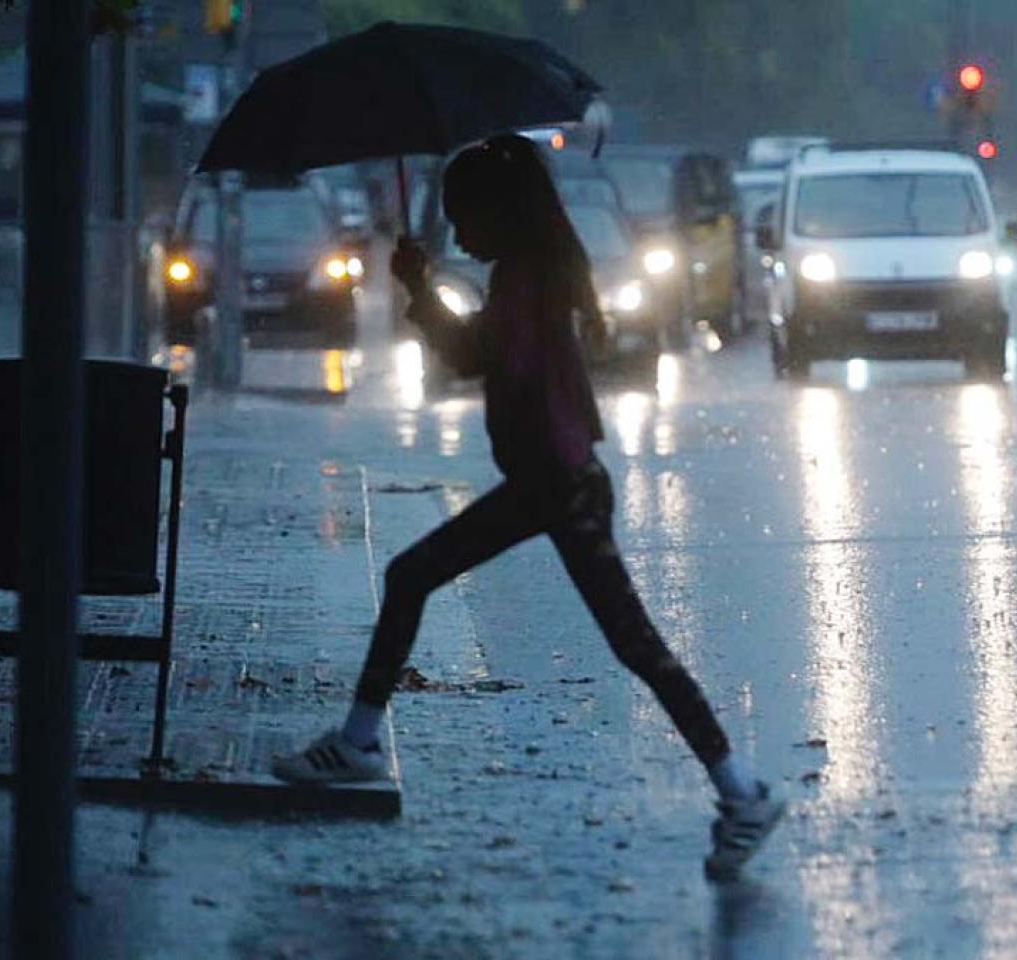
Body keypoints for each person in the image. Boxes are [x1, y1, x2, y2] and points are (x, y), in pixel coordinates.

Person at [272, 136, 784, 880]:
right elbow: (485, 354)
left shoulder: (529, 277)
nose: (460, 233)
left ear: (498, 211)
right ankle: (740, 791)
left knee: (625, 642)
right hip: (552, 481)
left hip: (558, 483)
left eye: (462, 217)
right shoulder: (528, 271)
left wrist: (421, 291)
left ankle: (743, 792)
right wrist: (422, 291)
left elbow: (486, 358)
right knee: (426, 580)